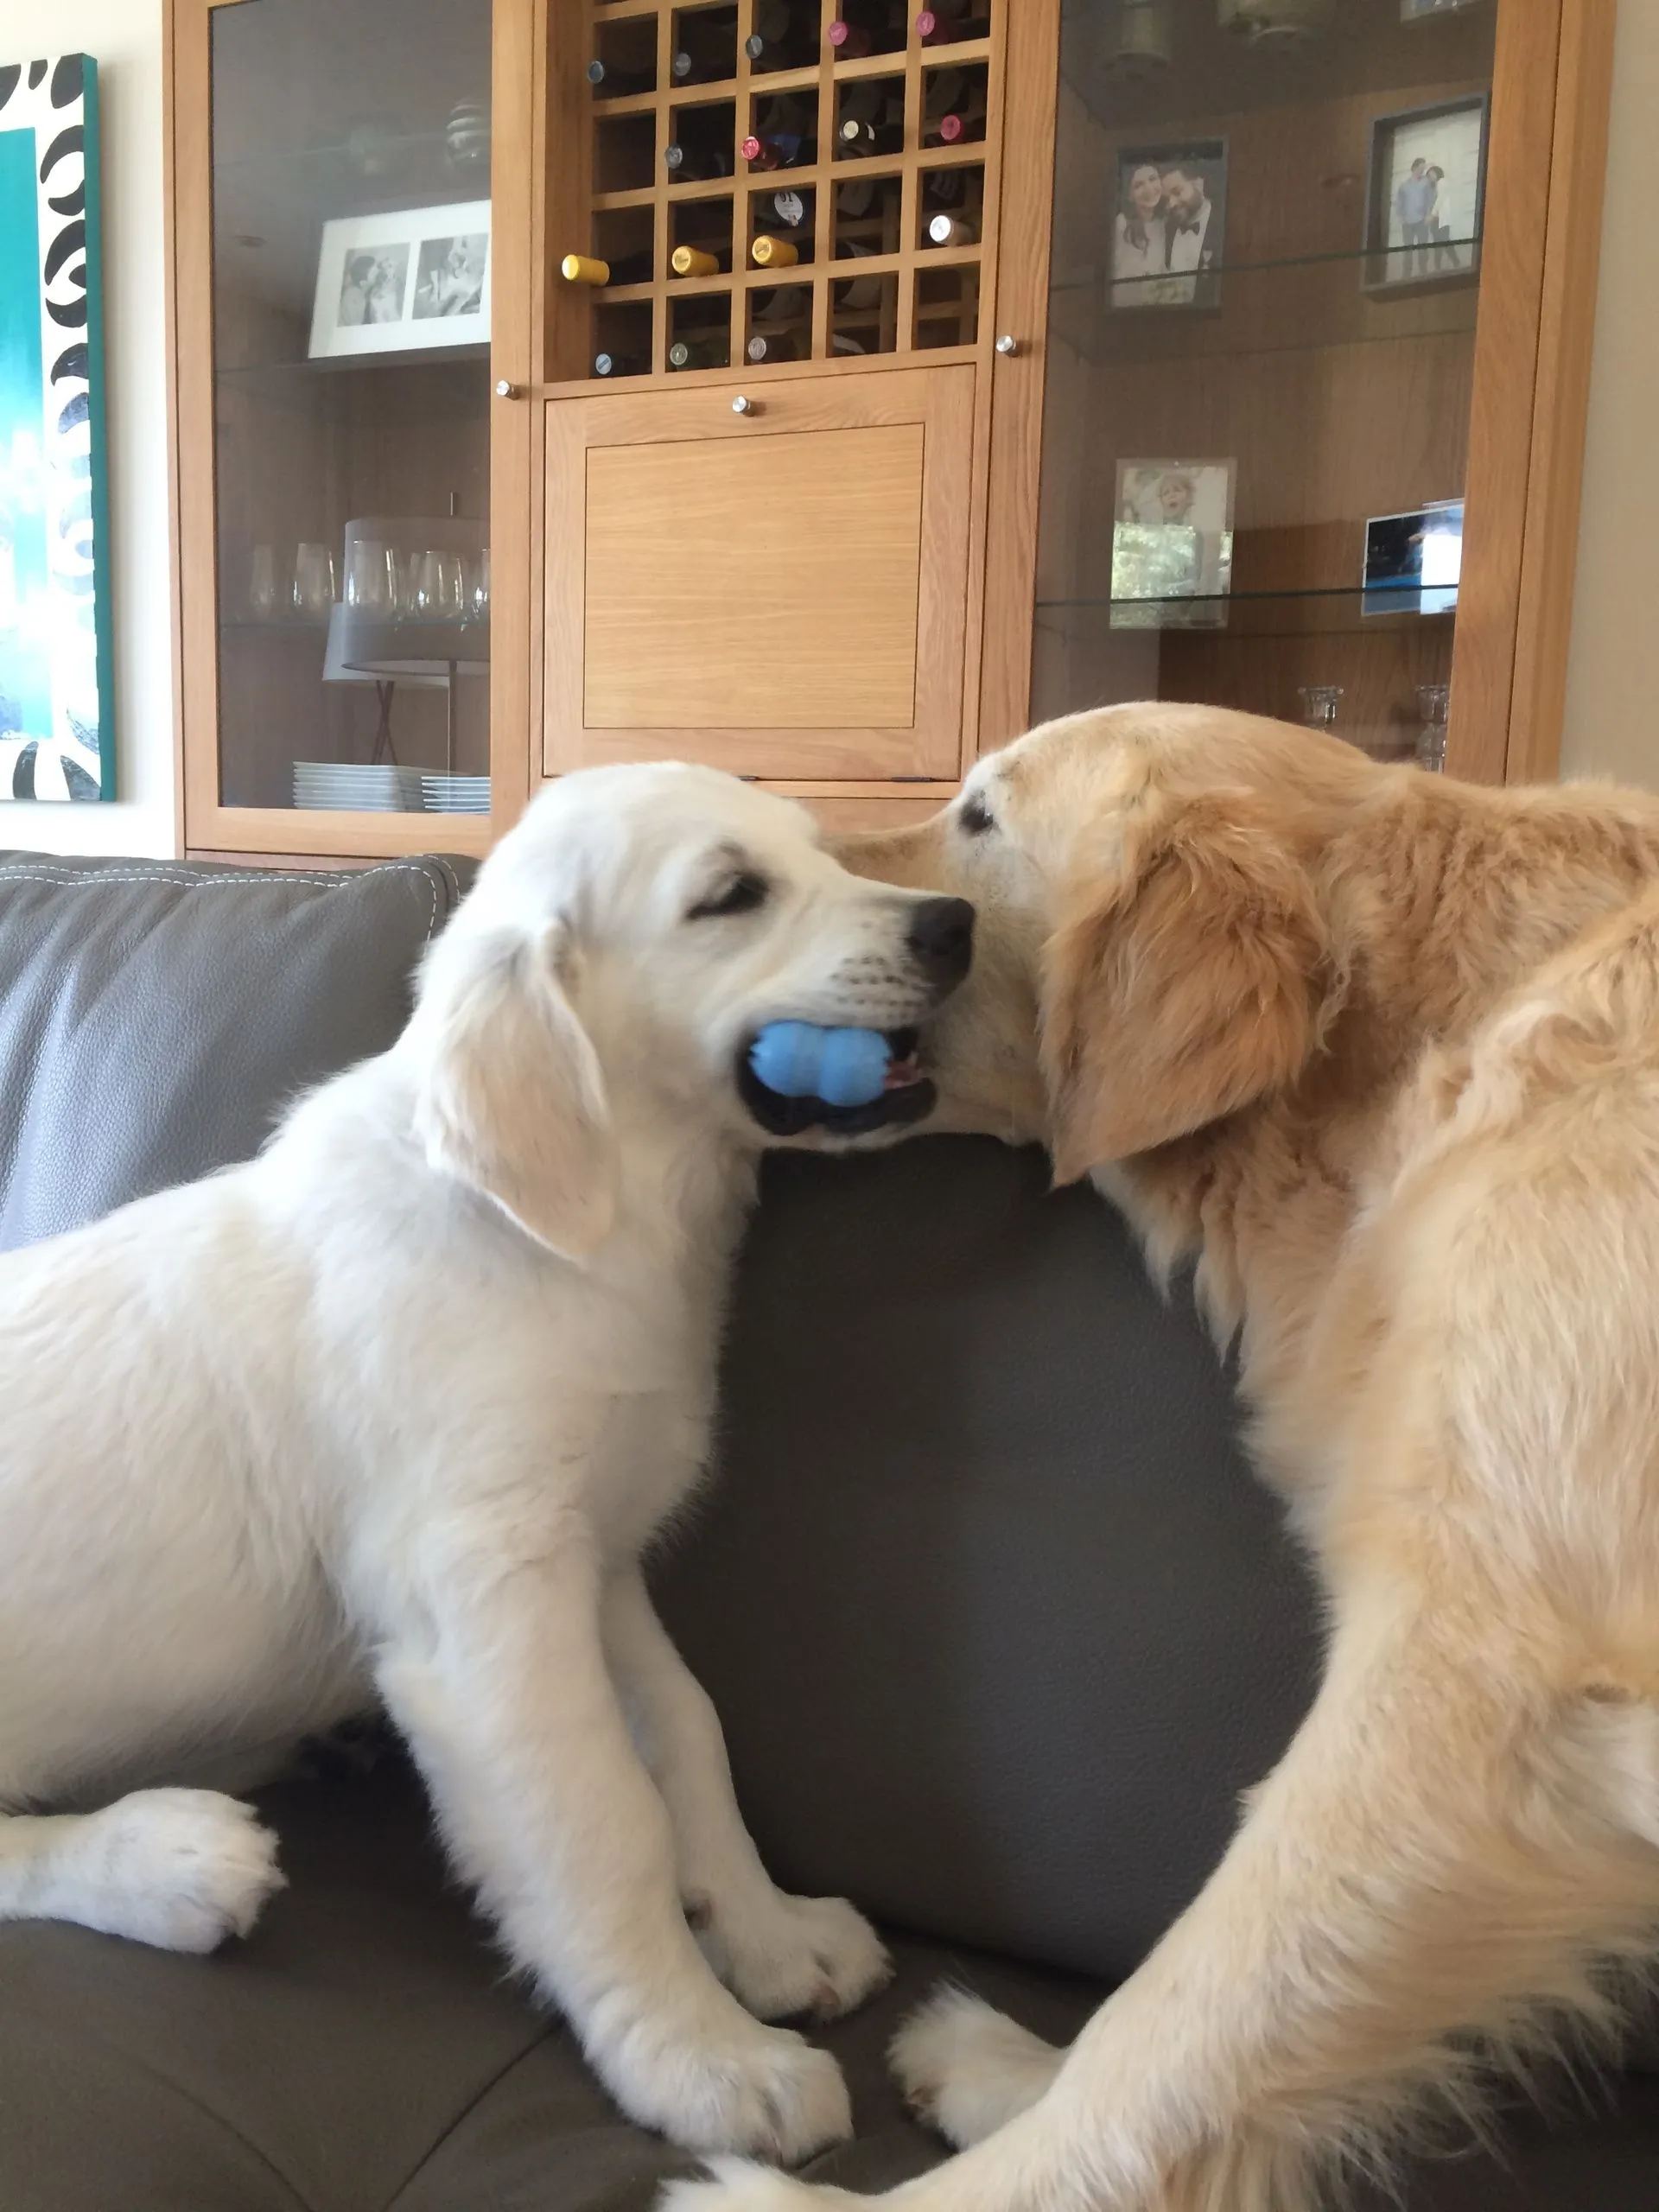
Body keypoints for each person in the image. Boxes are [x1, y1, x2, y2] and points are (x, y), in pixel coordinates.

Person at [1159, 162, 1217, 304]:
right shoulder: (1165, 231)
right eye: (1166, 200)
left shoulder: (1222, 222)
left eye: (1177, 192)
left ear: (1198, 183)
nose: (1171, 204)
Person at [1111, 162, 1166, 308]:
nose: (1148, 188)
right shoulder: (1120, 225)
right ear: (1130, 195)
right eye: (1139, 185)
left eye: (1153, 179)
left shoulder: (1165, 224)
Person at [1395, 155, 1436, 277]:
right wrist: (1401, 217)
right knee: (1408, 248)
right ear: (1413, 169)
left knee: (1423, 247)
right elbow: (1399, 203)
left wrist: (1429, 215)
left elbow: (1430, 200)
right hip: (1407, 223)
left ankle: (1423, 270)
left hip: (1422, 221)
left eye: (1423, 169)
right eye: (1420, 169)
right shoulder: (1403, 186)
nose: (1421, 172)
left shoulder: (1426, 182)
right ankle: (1407, 272)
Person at [1426, 164, 1463, 271]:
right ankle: (1447, 264)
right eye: (1428, 176)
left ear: (1437, 172)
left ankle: (1454, 263)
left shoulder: (1442, 182)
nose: (1430, 177)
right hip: (1436, 219)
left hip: (1440, 218)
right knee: (1440, 242)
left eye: (1431, 174)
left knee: (1444, 242)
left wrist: (1432, 215)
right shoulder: (1434, 187)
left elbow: (1440, 200)